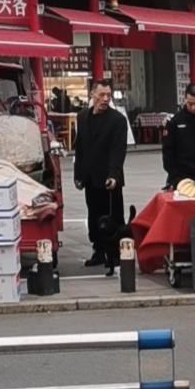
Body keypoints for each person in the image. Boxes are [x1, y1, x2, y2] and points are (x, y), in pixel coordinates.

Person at [74, 77, 127, 268]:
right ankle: (98, 250)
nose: (105, 99)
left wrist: (114, 175)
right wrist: (78, 175)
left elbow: (118, 151)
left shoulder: (117, 120)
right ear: (92, 94)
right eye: (101, 95)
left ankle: (115, 253)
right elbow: (80, 148)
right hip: (90, 177)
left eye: (108, 95)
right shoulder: (82, 117)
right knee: (94, 214)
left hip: (109, 178)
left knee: (113, 216)